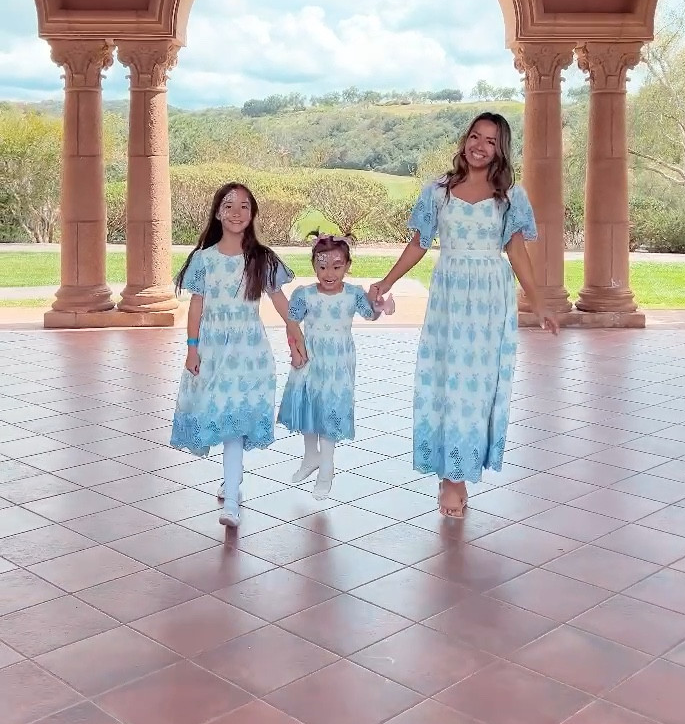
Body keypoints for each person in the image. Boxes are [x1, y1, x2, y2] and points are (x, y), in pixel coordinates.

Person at [369, 112, 558, 519]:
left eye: (490, 140)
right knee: (446, 382)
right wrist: (386, 282)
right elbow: (419, 243)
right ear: (465, 140)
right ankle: (451, 475)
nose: (480, 146)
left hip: (490, 298)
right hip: (450, 297)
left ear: (500, 149)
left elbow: (516, 252)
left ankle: (459, 470)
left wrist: (538, 301)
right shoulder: (438, 191)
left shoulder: (511, 196)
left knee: (477, 389)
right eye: (475, 136)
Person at [170, 181, 306, 529]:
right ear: (217, 212)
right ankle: (232, 481)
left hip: (249, 353)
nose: (236, 212)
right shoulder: (204, 260)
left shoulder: (261, 259)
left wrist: (295, 332)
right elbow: (196, 306)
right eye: (228, 205)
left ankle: (231, 499)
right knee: (222, 414)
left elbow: (279, 299)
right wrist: (192, 348)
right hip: (214, 352)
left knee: (235, 423)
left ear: (253, 213)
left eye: (244, 206)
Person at [278, 232, 394, 500]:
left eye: (336, 267)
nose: (329, 273)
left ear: (348, 266)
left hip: (338, 363)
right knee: (309, 406)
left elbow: (370, 315)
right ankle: (311, 456)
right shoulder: (304, 294)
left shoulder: (353, 294)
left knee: (329, 409)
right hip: (310, 359)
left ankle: (327, 467)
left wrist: (378, 304)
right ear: (313, 265)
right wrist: (295, 349)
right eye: (322, 267)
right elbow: (292, 322)